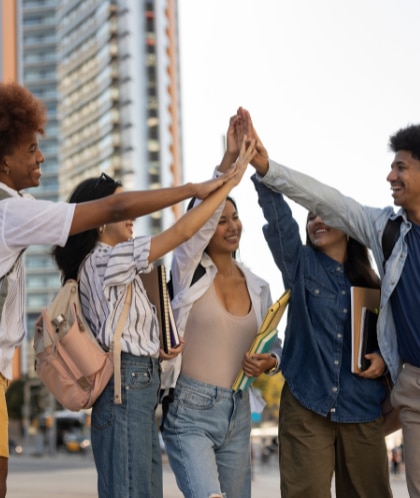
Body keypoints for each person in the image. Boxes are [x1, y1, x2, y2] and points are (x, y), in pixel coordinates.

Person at [0, 81, 240, 498]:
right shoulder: (7, 211)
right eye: (31, 148)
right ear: (3, 159)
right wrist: (198, 187)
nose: (41, 157)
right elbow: (121, 209)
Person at [244, 107, 420, 498]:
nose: (390, 176)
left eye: (401, 167)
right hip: (400, 398)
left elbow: (385, 330)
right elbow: (317, 203)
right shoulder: (383, 233)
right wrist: (265, 168)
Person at [53, 133, 255, 498]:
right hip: (126, 386)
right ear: (100, 219)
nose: (130, 214)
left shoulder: (112, 265)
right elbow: (183, 232)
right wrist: (227, 182)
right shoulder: (104, 260)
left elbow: (123, 329)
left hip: (138, 384)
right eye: (121, 207)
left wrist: (155, 350)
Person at [160, 114, 282, 498]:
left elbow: (273, 345)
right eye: (220, 220)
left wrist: (271, 362)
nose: (231, 226)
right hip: (189, 411)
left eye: (235, 217)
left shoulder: (259, 287)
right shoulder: (188, 270)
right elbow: (197, 220)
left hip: (238, 409)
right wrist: (229, 163)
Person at [253, 172, 392, 497]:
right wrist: (262, 170)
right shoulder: (300, 265)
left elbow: (396, 339)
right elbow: (279, 222)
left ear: (348, 225)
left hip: (362, 408)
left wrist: (384, 359)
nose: (316, 221)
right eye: (310, 216)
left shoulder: (375, 284)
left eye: (324, 213)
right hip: (306, 404)